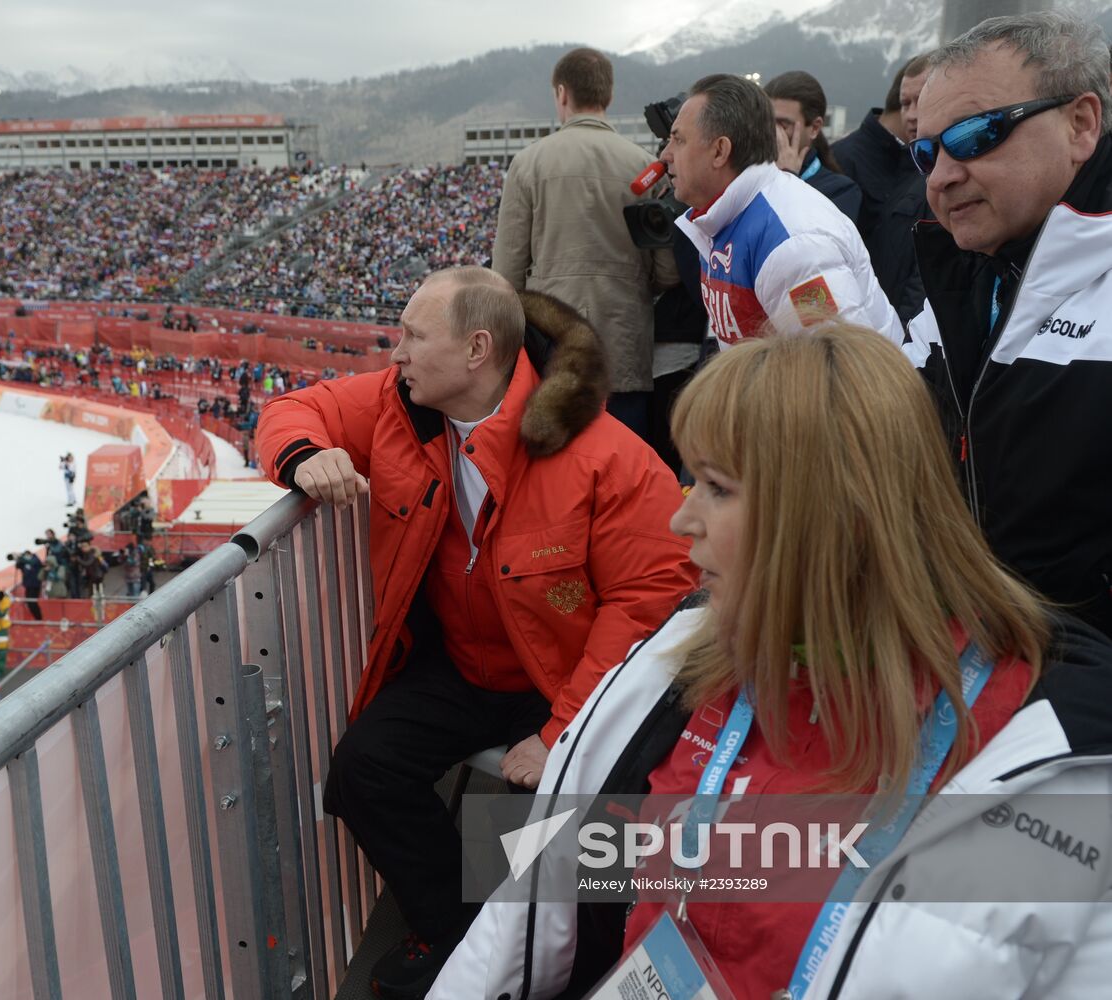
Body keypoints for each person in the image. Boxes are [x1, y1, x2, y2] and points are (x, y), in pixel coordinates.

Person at [435, 323, 1112, 999]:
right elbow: (530, 906)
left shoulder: (1049, 764)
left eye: (717, 487)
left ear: (834, 515)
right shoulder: (674, 661)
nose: (682, 519)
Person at [256, 267, 696, 998]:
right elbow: (294, 409)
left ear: (476, 350)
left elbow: (647, 599)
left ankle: (532, 962)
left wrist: (561, 731)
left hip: (561, 683)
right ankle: (459, 935)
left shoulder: (605, 454)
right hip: (461, 666)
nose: (394, 354)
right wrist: (307, 456)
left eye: (413, 337)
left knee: (550, 826)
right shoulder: (397, 406)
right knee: (363, 771)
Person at [907, 11, 1112, 636]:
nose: (940, 175)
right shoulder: (960, 275)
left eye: (975, 135)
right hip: (980, 672)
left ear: (1080, 124)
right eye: (924, 151)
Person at [491, 47, 676, 441]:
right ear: (607, 96)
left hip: (551, 347)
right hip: (623, 343)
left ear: (562, 93)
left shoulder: (529, 163)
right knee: (626, 471)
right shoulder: (644, 165)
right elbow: (667, 270)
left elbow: (505, 274)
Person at [661, 74, 903, 349]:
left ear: (720, 151)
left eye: (678, 140)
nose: (665, 155)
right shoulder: (723, 218)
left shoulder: (794, 243)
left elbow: (841, 366)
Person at [833, 53, 936, 323]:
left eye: (921, 100)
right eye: (905, 103)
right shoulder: (913, 175)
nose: (912, 115)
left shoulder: (943, 178)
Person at [763, 71, 862, 221]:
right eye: (767, 122)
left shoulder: (840, 191)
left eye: (783, 125)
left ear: (815, 128)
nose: (773, 133)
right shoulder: (749, 173)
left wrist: (787, 178)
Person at [12, 549, 44, 620]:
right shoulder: (24, 562)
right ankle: (36, 618)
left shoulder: (35, 560)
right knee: (29, 602)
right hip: (28, 585)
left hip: (35, 585)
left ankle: (39, 618)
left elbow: (32, 562)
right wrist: (17, 559)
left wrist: (21, 557)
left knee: (33, 603)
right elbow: (18, 566)